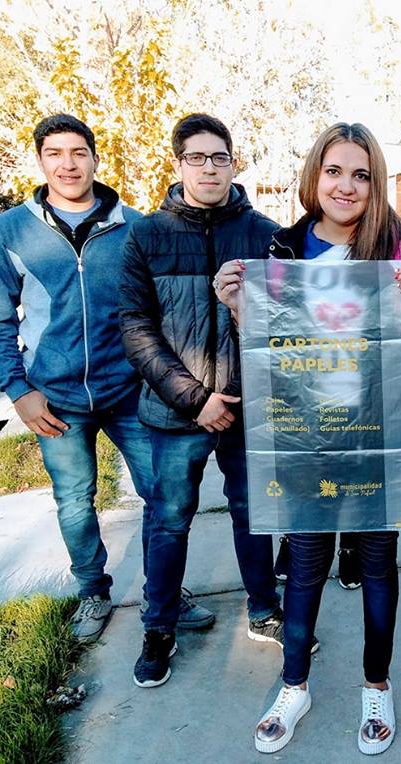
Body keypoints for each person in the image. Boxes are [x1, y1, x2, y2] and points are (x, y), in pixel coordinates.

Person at [214, 122, 401, 756]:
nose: (346, 186)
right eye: (334, 171)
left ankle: (376, 685)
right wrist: (238, 310)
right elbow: (268, 353)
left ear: (376, 183)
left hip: (376, 432)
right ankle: (294, 685)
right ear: (315, 175)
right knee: (306, 565)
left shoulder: (400, 246)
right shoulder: (281, 247)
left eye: (361, 174)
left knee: (378, 567)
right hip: (305, 436)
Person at [0, 114, 210, 643]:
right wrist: (19, 390)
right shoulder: (10, 231)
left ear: (94, 158)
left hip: (130, 390)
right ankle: (92, 590)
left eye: (78, 152)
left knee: (163, 496)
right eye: (55, 153)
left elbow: (160, 311)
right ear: (40, 161)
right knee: (74, 499)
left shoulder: (133, 225)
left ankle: (164, 591)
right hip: (55, 397)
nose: (68, 164)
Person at [119, 114, 284, 688]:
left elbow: (286, 322)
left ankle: (264, 609)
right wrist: (195, 400)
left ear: (234, 163)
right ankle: (158, 627)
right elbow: (135, 328)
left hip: (247, 407)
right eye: (197, 157)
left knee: (253, 513)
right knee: (168, 521)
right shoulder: (146, 236)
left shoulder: (267, 235)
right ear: (179, 164)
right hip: (176, 410)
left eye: (219, 157)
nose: (209, 168)